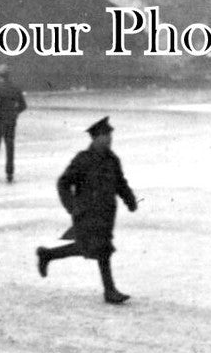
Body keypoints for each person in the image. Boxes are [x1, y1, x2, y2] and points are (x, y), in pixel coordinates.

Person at [36, 117, 138, 305]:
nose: (109, 140)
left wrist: (130, 199)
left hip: (106, 214)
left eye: (110, 136)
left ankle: (47, 254)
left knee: (91, 248)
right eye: (105, 136)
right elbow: (63, 183)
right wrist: (72, 206)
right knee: (102, 249)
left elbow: (120, 183)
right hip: (86, 214)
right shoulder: (83, 160)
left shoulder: (112, 160)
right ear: (95, 138)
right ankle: (110, 291)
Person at [0, 64, 27, 183]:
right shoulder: (15, 88)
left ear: (0, 77)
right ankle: (9, 173)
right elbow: (23, 105)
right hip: (11, 122)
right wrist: (14, 113)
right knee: (10, 148)